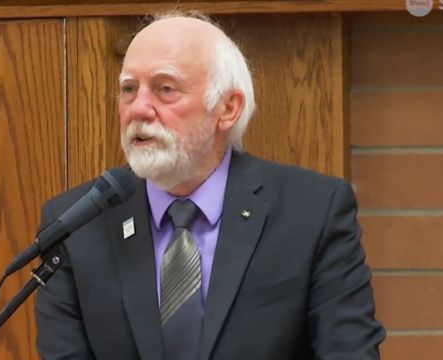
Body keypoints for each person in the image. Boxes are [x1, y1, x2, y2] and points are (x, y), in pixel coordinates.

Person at [35, 13, 385, 360]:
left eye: (165, 89)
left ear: (227, 109)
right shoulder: (74, 224)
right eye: (129, 89)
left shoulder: (312, 212)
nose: (138, 108)